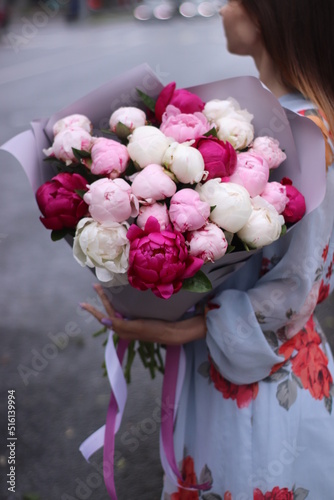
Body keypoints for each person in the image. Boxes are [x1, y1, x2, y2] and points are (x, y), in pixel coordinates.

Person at [81, 0, 334, 498]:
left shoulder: (304, 131)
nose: (221, 9)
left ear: (270, 18)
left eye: (234, 0)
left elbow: (300, 281)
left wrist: (180, 328)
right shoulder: (289, 118)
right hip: (241, 360)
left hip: (259, 377)